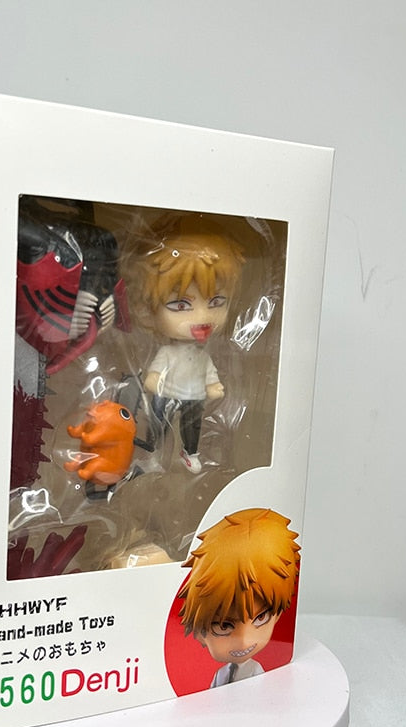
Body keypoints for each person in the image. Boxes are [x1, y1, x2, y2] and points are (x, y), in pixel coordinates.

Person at [123, 217, 244, 473]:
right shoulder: (167, 351)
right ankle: (152, 453)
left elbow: (209, 371)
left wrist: (213, 385)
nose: (202, 317)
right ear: (147, 309)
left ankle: (190, 452)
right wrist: (153, 379)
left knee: (192, 426)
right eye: (181, 305)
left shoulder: (202, 355)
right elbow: (156, 371)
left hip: (194, 395)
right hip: (166, 392)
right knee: (158, 420)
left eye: (216, 302)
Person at [178, 508, 300, 687]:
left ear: (277, 614)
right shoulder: (220, 674)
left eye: (261, 617)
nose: (244, 641)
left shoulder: (256, 672)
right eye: (223, 626)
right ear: (200, 633)